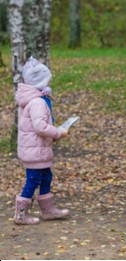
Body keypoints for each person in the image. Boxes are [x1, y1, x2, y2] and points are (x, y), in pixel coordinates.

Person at [14, 56, 69, 225]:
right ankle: (21, 215)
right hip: (35, 151)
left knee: (46, 178)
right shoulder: (37, 102)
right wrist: (58, 133)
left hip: (39, 149)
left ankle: (48, 211)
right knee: (33, 180)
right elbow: (40, 127)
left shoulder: (34, 99)